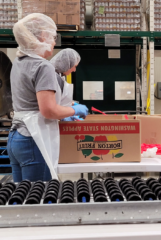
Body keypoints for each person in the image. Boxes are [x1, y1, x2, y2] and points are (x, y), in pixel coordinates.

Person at [7, 13, 89, 182]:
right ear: (42, 37)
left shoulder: (18, 62)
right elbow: (48, 110)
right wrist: (74, 110)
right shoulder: (43, 66)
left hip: (15, 137)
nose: (53, 42)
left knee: (20, 198)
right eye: (53, 37)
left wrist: (65, 113)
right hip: (33, 139)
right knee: (39, 199)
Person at [50, 48, 82, 121]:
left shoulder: (59, 77)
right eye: (75, 66)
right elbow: (49, 106)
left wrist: (71, 104)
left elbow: (56, 100)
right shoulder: (52, 77)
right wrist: (73, 110)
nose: (74, 70)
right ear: (67, 64)